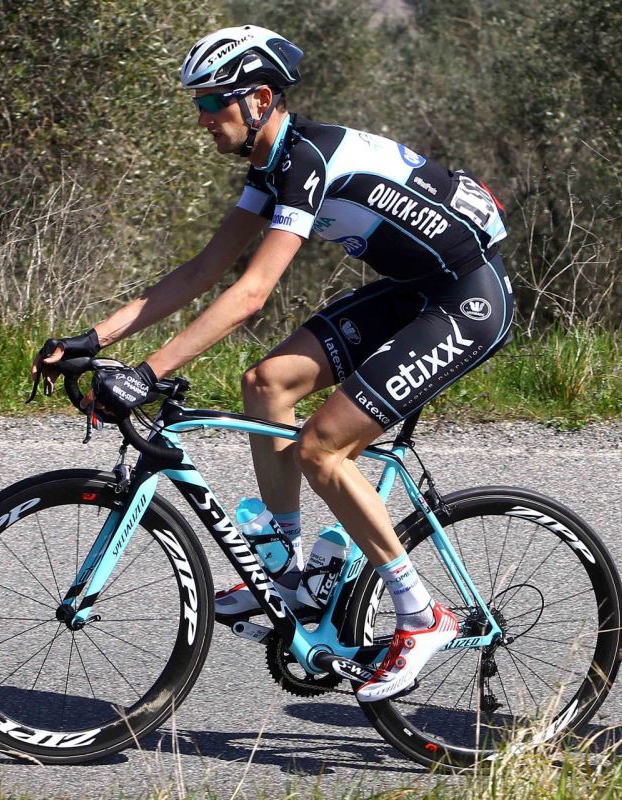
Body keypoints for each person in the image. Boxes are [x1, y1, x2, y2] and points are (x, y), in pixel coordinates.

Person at [31, 25, 513, 702]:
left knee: (322, 449)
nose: (203, 116)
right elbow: (204, 269)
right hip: (414, 291)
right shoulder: (271, 165)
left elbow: (252, 294)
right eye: (198, 103)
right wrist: (94, 340)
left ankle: (421, 615)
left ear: (259, 98)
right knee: (265, 383)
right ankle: (285, 571)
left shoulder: (306, 160)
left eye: (213, 101)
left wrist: (147, 373)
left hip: (467, 299)